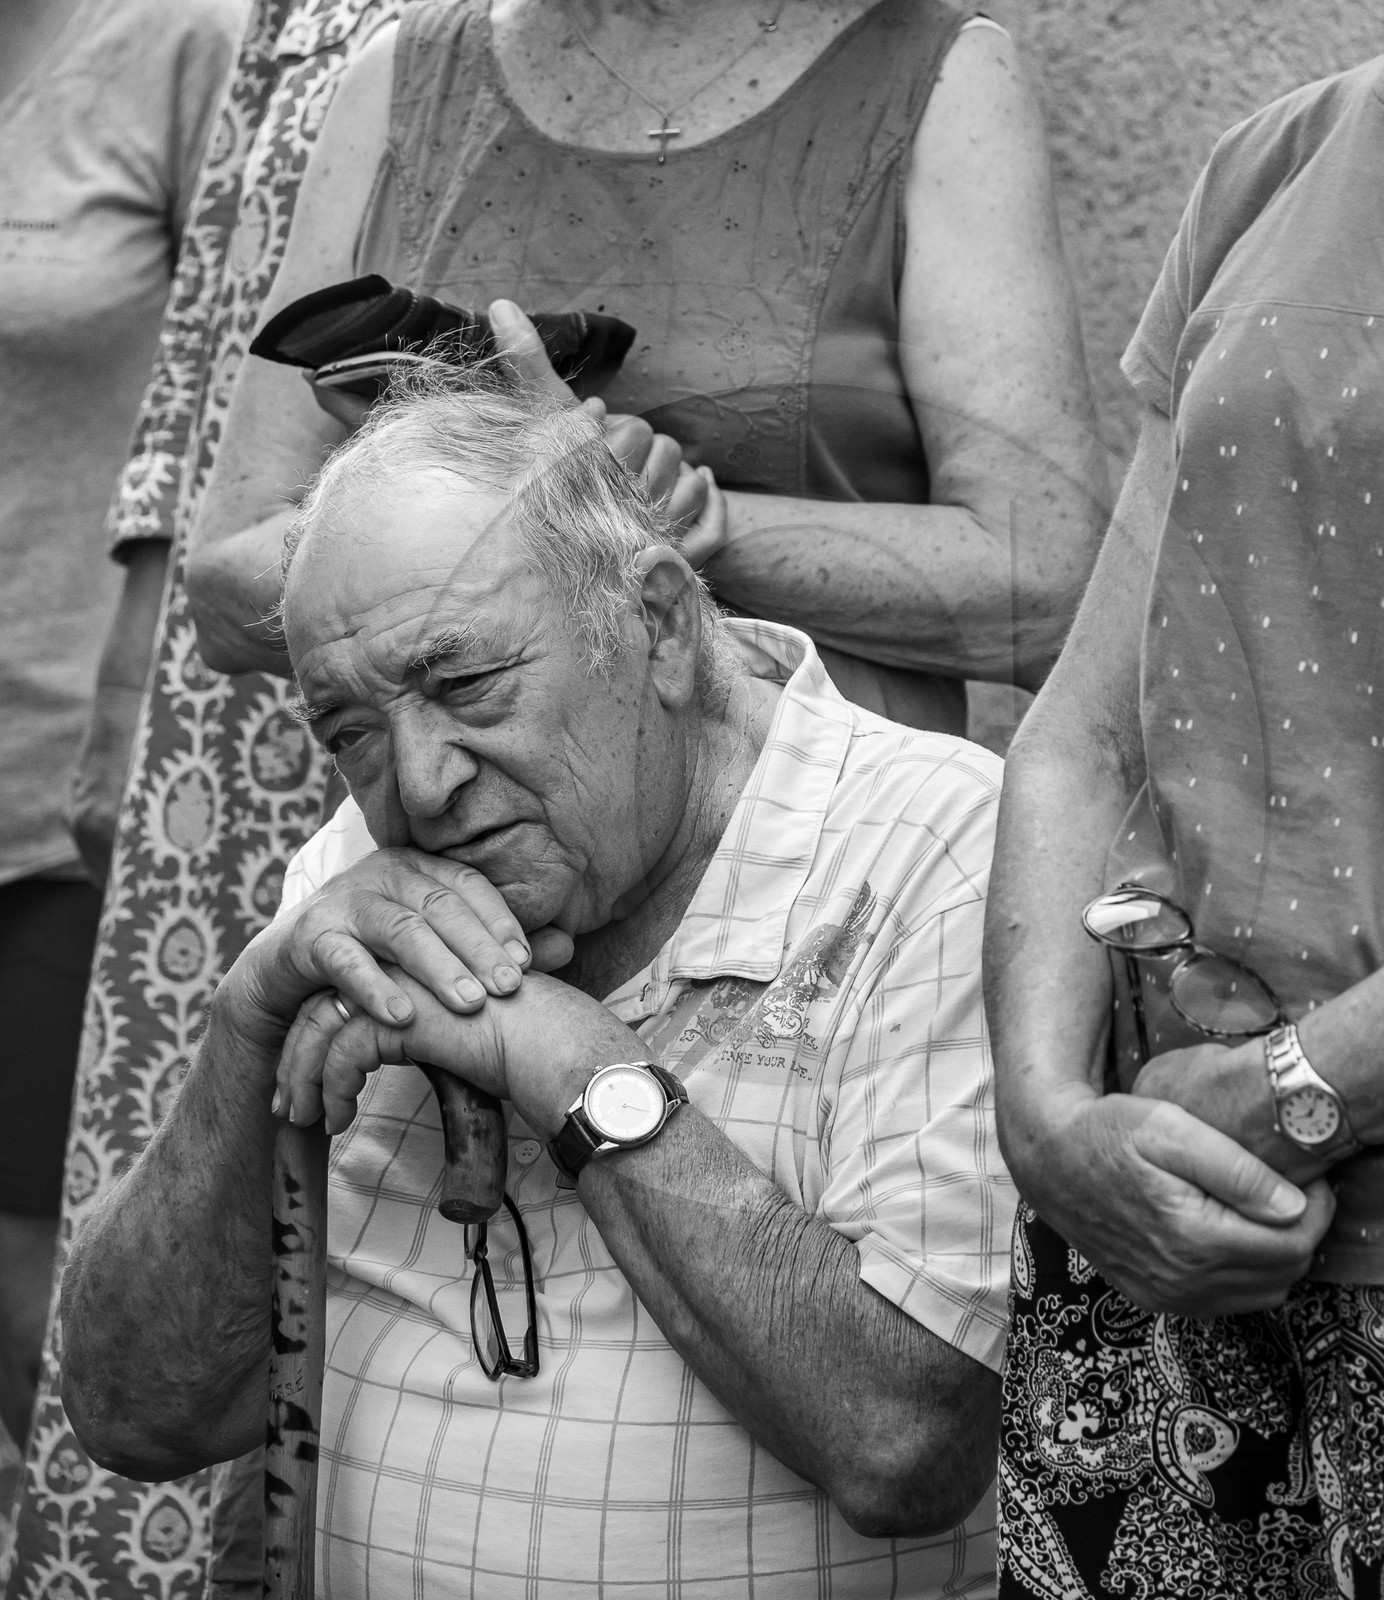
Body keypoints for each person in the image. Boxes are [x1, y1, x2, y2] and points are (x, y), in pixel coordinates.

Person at [60, 369, 1016, 1596]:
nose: (419, 781)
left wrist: (565, 1057)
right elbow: (137, 1413)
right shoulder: (358, 867)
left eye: (464, 686)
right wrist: (247, 1032)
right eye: (350, 729)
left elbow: (903, 1444)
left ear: (660, 628)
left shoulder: (932, 846)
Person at [985, 1, 1384, 1595]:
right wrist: (1049, 1123)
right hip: (1163, 1255)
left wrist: (1291, 1089)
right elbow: (1082, 733)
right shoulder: (1274, 160)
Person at [183, 0, 1108, 739]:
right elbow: (229, 582)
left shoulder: (942, 75)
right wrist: (547, 516)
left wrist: (686, 522)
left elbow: (1047, 586)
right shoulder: (399, 79)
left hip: (821, 869)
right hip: (458, 883)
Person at [0, 0, 240, 1455]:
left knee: (34, 1318)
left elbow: (235, 408)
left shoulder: (176, 41)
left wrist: (126, 716)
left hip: (59, 795)